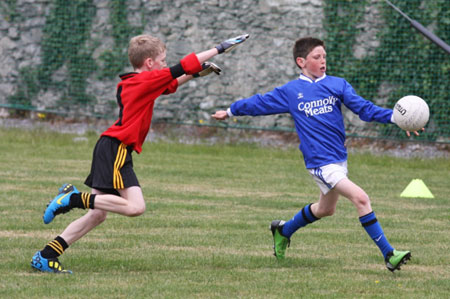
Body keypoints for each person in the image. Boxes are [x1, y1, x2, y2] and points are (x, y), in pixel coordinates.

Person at [31, 33, 250, 273]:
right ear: (149, 63)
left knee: (98, 215)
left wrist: (195, 73)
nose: (165, 64)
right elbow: (183, 66)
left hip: (113, 148)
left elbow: (172, 83)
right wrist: (219, 48)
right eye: (163, 60)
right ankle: (72, 199)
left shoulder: (138, 82)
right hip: (115, 149)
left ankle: (47, 255)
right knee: (135, 207)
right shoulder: (144, 82)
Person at [212, 37, 420, 272]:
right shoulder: (291, 91)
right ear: (301, 61)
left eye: (324, 57)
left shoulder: (337, 84)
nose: (323, 61)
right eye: (316, 57)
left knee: (325, 210)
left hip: (339, 159)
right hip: (320, 163)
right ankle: (389, 255)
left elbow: (364, 108)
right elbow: (260, 103)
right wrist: (230, 111)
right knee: (361, 198)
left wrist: (394, 117)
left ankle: (283, 230)